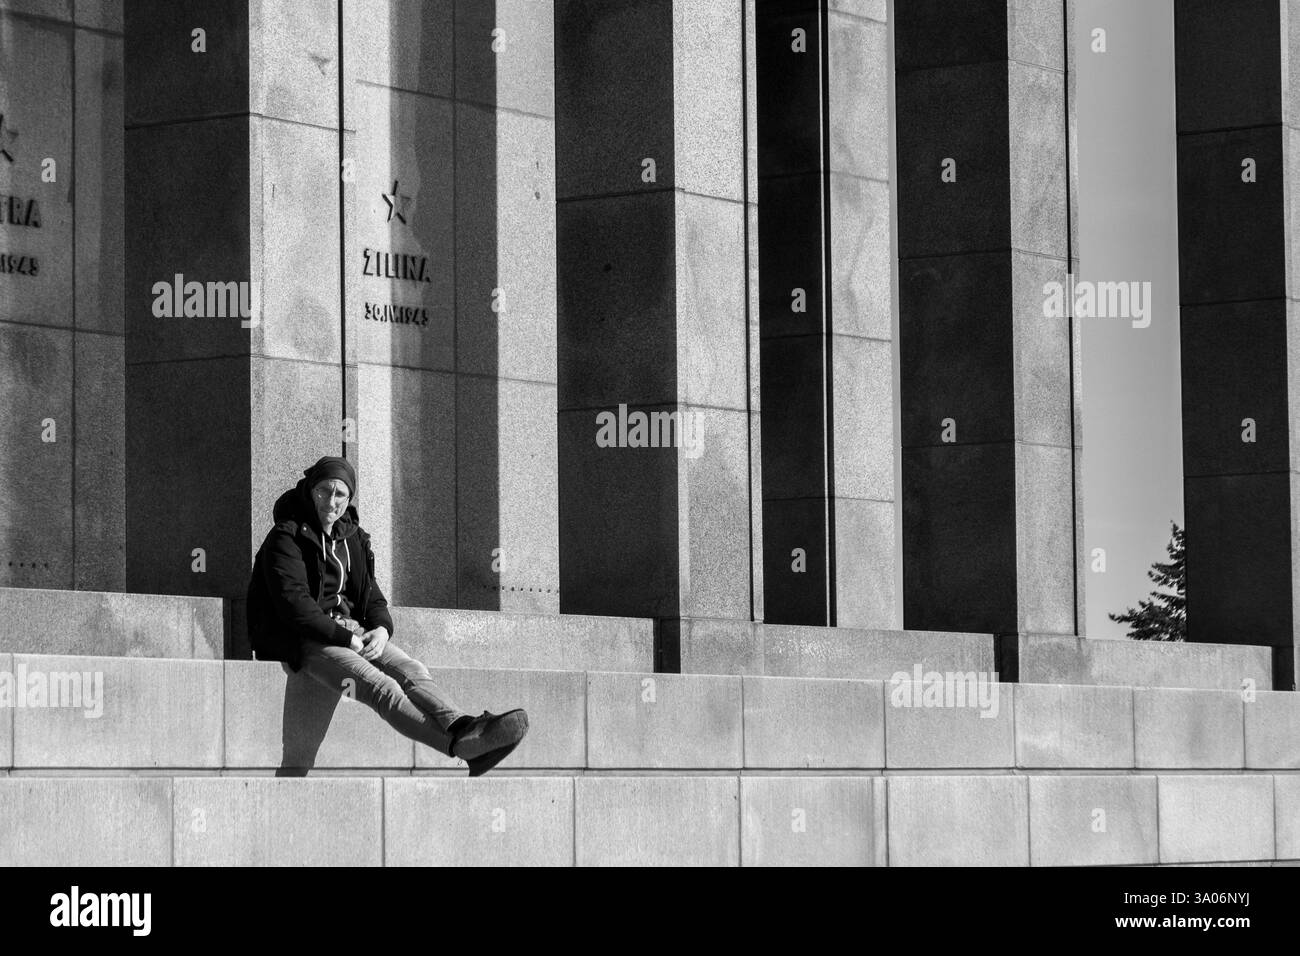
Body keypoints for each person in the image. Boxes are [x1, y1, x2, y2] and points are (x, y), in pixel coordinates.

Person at [246, 455, 528, 775]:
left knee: (411, 669)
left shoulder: (351, 537)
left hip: (351, 630)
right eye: (324, 491)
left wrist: (380, 629)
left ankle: (464, 727)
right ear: (310, 490)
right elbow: (293, 604)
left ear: (349, 498)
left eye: (341, 494)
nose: (332, 501)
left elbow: (371, 597)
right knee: (382, 688)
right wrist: (346, 638)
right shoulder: (287, 535)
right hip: (305, 640)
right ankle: (460, 748)